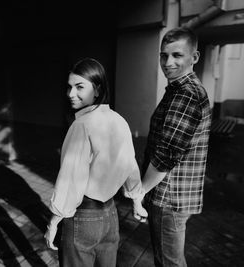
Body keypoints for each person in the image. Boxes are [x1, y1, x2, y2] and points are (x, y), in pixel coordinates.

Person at [44, 58, 147, 267]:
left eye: (79, 87)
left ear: (98, 89)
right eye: (69, 87)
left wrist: (53, 222)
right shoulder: (119, 120)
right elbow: (130, 163)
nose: (71, 94)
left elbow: (70, 180)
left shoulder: (81, 125)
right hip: (110, 217)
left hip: (83, 218)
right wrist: (137, 200)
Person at [141, 27, 212, 267]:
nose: (168, 62)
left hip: (168, 197)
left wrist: (138, 192)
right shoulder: (178, 90)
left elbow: (166, 155)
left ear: (194, 57)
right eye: (164, 55)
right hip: (176, 195)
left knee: (169, 263)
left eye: (177, 55)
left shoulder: (186, 94)